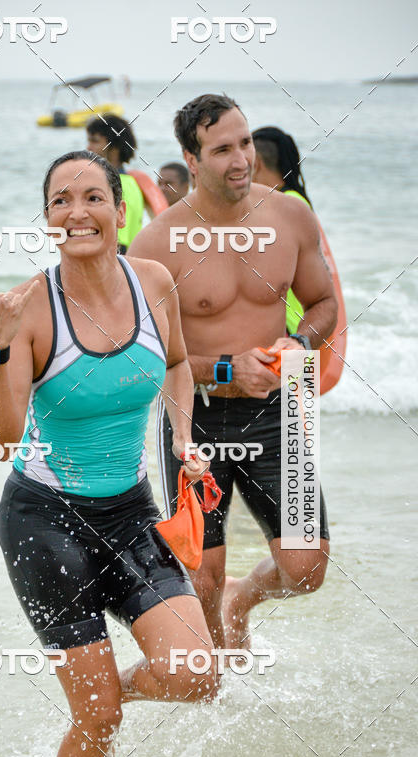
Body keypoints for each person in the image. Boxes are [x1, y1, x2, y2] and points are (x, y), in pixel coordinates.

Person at [0, 150, 217, 757]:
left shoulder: (154, 282)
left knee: (195, 674)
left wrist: (183, 436)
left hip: (130, 513)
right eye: (61, 201)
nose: (77, 212)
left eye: (93, 197)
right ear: (48, 218)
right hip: (45, 523)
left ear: (119, 211)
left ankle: (105, 694)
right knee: (99, 721)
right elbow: (0, 441)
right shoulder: (30, 309)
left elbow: (177, 362)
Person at [128, 94, 337, 651]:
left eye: (245, 143)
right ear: (191, 160)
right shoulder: (158, 244)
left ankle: (242, 598)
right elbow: (145, 354)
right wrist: (226, 368)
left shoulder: (290, 217)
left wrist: (296, 344)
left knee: (306, 568)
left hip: (276, 413)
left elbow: (323, 303)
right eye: (223, 149)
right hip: (195, 419)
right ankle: (216, 681)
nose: (242, 159)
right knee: (201, 579)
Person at [252, 126, 313, 333]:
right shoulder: (296, 200)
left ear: (256, 164)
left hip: (287, 328)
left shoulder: (283, 205)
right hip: (298, 325)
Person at [85, 115, 146, 252]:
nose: (88, 147)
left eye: (95, 141)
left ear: (114, 148)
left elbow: (118, 245)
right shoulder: (129, 183)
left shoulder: (119, 186)